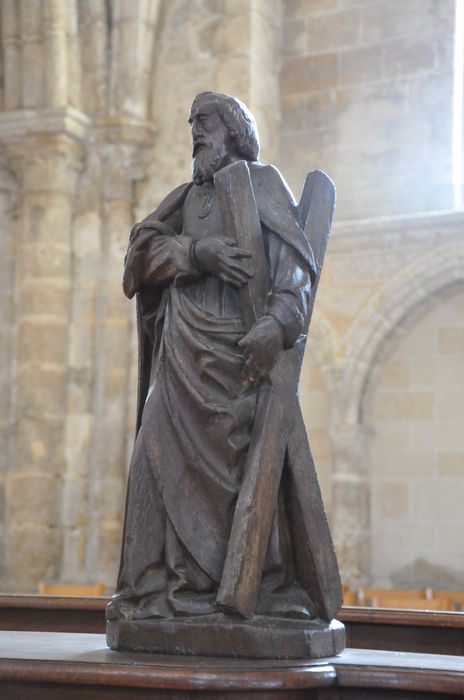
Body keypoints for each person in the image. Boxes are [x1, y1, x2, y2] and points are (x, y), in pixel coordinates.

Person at [107, 91, 338, 623]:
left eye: (205, 121)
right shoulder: (184, 198)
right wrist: (195, 253)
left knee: (243, 477)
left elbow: (296, 266)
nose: (195, 130)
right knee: (152, 462)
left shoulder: (264, 183)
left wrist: (278, 323)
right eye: (191, 121)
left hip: (239, 361)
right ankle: (153, 588)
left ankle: (248, 587)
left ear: (234, 129)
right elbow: (138, 259)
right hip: (180, 361)